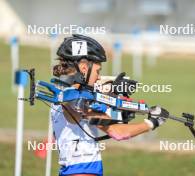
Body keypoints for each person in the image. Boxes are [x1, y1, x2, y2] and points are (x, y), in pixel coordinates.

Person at [51, 34, 169, 176]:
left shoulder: (64, 95)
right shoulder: (75, 100)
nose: (99, 77)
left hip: (72, 170)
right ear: (83, 68)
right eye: (97, 71)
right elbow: (118, 132)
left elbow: (95, 111)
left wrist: (112, 92)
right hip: (83, 171)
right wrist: (152, 122)